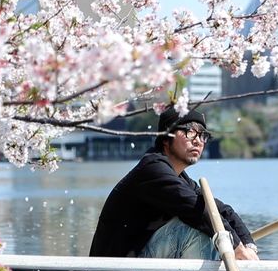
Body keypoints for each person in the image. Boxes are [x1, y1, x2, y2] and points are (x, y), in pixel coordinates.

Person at [88, 107, 259, 260]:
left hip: (139, 261)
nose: (198, 141)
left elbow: (221, 210)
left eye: (202, 135)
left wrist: (248, 247)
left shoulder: (180, 177)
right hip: (115, 268)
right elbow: (197, 210)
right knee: (194, 229)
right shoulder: (152, 170)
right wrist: (235, 247)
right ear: (165, 138)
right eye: (190, 132)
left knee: (211, 226)